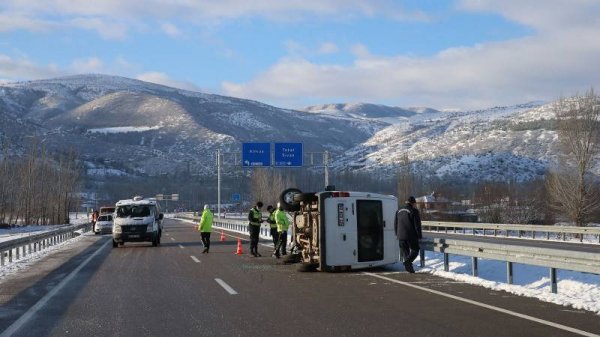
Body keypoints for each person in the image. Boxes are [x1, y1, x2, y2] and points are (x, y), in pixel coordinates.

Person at [394, 196, 422, 273]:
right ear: (413, 203)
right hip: (410, 235)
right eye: (414, 203)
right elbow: (417, 225)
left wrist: (397, 234)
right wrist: (419, 235)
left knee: (406, 252)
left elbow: (395, 224)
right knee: (415, 250)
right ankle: (407, 262)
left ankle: (410, 269)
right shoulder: (414, 211)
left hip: (400, 236)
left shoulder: (398, 211)